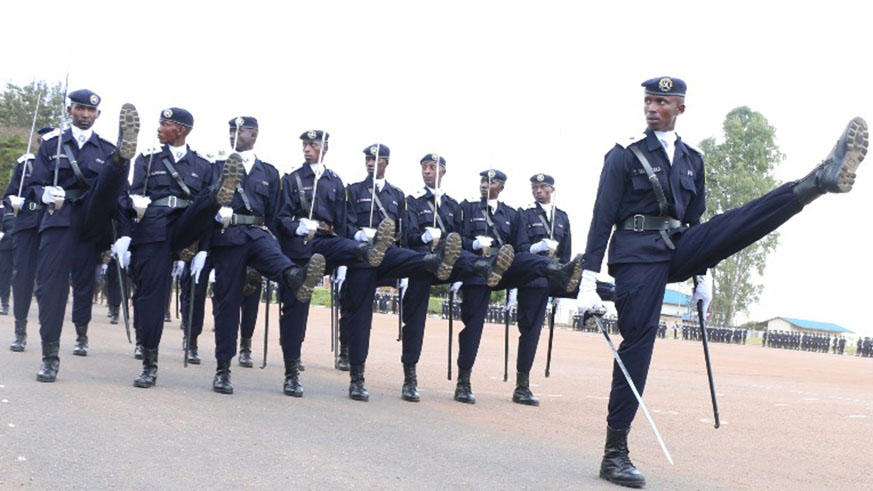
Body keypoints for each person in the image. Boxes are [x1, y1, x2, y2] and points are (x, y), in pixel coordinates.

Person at [575, 76, 867, 488]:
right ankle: (614, 453)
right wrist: (588, 281)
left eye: (662, 102)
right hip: (636, 256)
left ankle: (814, 183)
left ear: (680, 109)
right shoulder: (624, 154)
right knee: (638, 345)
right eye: (648, 101)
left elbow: (697, 222)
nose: (652, 108)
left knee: (735, 223)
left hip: (678, 246)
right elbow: (601, 218)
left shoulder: (693, 158)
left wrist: (703, 274)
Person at [118, 107, 243, 388]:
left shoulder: (202, 164)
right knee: (151, 296)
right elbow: (132, 198)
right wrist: (128, 235)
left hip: (187, 227)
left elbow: (208, 222)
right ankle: (149, 363)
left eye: (165, 124)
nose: (159, 128)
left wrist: (203, 250)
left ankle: (221, 191)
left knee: (206, 202)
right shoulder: (148, 160)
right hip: (154, 230)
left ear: (181, 130)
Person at [26, 90, 140, 382]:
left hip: (93, 219)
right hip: (60, 218)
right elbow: (35, 184)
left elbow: (122, 197)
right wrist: (44, 193)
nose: (85, 114)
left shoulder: (102, 147)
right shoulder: (52, 145)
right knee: (51, 288)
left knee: (107, 185)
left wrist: (124, 235)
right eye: (80, 109)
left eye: (90, 111)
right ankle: (49, 356)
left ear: (98, 115)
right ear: (70, 110)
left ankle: (121, 158)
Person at [208, 117, 325, 395]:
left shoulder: (269, 172)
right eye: (230, 130)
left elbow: (273, 216)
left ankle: (295, 276)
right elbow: (204, 205)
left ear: (254, 135)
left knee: (279, 262)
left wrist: (278, 245)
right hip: (228, 236)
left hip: (258, 233)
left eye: (240, 131)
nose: (234, 135)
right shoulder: (216, 165)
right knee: (227, 303)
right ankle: (223, 368)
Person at [275, 130, 395, 397]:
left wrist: (343, 262)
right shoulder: (292, 178)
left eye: (313, 145)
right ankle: (291, 372)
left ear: (324, 148)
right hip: (300, 247)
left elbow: (341, 223)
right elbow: (279, 218)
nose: (307, 149)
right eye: (305, 144)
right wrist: (295, 226)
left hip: (326, 239)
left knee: (351, 247)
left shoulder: (334, 181)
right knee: (296, 307)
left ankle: (368, 252)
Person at [339, 143, 461, 401]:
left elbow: (404, 235)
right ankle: (357, 377)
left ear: (386, 162)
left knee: (416, 261)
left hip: (391, 255)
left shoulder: (397, 196)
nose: (371, 164)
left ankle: (410, 377)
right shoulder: (353, 191)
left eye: (377, 160)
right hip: (362, 256)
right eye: (368, 160)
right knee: (360, 316)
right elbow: (345, 226)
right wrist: (359, 234)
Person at [453, 169, 583, 404]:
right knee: (473, 326)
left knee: (532, 330)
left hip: (520, 273)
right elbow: (456, 239)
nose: (485, 185)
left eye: (491, 182)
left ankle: (522, 386)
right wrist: (471, 246)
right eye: (483, 180)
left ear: (501, 186)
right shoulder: (468, 208)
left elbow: (527, 250)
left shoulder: (512, 214)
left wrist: (557, 287)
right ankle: (464, 382)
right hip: (478, 270)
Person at [399, 153, 510, 402]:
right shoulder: (412, 201)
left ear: (442, 171)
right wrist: (424, 238)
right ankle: (410, 377)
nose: (427, 171)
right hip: (423, 263)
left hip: (452, 264)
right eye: (424, 167)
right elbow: (408, 237)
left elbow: (459, 239)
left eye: (432, 167)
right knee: (414, 320)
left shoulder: (452, 205)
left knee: (477, 299)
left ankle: (464, 381)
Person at [510, 173, 573, 406]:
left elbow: (566, 255)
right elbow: (520, 248)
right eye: (534, 187)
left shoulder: (562, 217)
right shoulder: (524, 214)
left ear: (552, 190)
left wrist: (561, 290)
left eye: (542, 187)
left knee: (535, 332)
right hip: (532, 279)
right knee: (531, 331)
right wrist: (537, 248)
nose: (538, 191)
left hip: (552, 280)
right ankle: (522, 385)